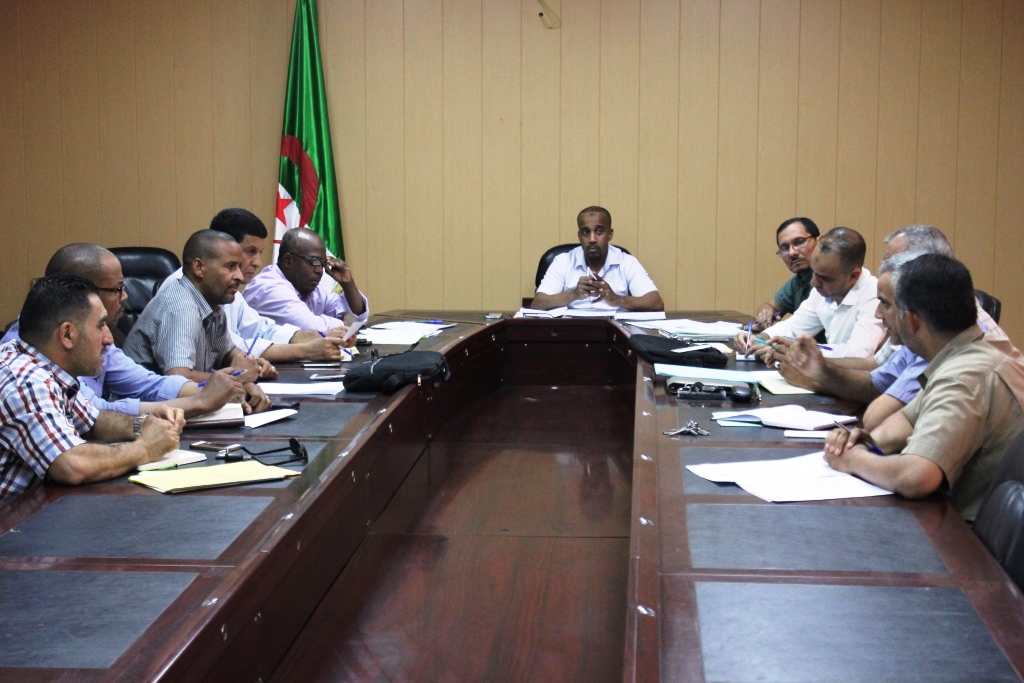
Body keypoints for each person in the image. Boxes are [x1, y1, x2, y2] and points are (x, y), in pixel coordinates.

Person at [823, 254, 1024, 523]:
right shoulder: (975, 348)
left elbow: (916, 477)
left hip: (967, 536)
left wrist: (852, 460)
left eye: (885, 305)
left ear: (912, 321)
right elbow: (902, 424)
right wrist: (862, 442)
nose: (878, 314)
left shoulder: (963, 377)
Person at [779, 225, 1005, 429]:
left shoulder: (943, 332)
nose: (885, 270)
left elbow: (879, 419)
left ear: (928, 271)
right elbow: (876, 378)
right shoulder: (921, 325)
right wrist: (817, 365)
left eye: (895, 265)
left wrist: (815, 377)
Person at [1, 244, 245, 418]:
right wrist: (200, 402)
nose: (125, 296)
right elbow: (94, 412)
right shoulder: (30, 355)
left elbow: (148, 384)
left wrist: (221, 390)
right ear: (80, 292)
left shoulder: (98, 336)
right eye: (117, 288)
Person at [0, 275, 185, 504]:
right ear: (67, 335)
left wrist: (144, 424)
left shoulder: (45, 367)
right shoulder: (26, 382)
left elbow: (93, 421)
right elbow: (72, 465)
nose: (108, 339)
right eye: (100, 326)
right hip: (12, 520)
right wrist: (145, 448)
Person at [160, 209, 355, 362]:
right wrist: (305, 350)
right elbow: (232, 347)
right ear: (224, 245)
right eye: (250, 251)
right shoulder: (183, 292)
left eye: (259, 253)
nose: (258, 263)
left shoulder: (228, 291)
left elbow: (261, 329)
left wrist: (318, 336)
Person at [123, 230, 273, 411]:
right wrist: (238, 378)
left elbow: (226, 351)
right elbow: (179, 377)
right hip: (143, 412)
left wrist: (249, 362)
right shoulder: (181, 308)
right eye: (231, 267)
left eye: (239, 267)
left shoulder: (212, 303)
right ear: (199, 268)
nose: (240, 277)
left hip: (179, 408)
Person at [734, 227, 883, 359]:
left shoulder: (874, 296)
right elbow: (793, 327)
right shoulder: (822, 289)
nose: (813, 282)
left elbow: (857, 354)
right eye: (814, 273)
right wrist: (760, 338)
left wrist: (796, 350)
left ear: (853, 276)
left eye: (824, 278)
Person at [530, 206, 664, 312]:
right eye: (586, 232)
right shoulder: (563, 261)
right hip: (571, 331)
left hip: (614, 332)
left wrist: (617, 299)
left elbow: (656, 303)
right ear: (579, 236)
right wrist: (573, 294)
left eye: (599, 231)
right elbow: (538, 304)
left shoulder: (626, 262)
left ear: (610, 234)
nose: (592, 239)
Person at [243, 228, 370, 332]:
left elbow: (358, 315)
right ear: (288, 261)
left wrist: (347, 283)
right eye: (313, 261)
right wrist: (349, 324)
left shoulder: (309, 288)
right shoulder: (269, 288)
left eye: (322, 263)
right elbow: (313, 329)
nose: (320, 270)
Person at [753, 217, 820, 330]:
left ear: (819, 241)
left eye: (799, 242)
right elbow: (771, 305)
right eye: (784, 248)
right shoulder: (798, 281)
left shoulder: (831, 279)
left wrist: (779, 328)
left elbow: (807, 327)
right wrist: (766, 313)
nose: (792, 252)